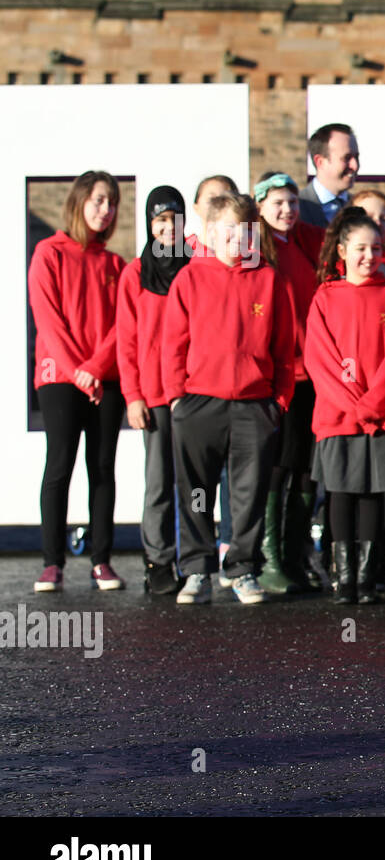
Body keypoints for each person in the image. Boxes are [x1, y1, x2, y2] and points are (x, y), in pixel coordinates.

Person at [162, 192, 295, 605]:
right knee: (196, 491)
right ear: (210, 233)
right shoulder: (190, 277)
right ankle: (198, 571)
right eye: (228, 232)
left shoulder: (269, 278)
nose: (236, 240)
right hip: (198, 403)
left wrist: (279, 402)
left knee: (249, 493)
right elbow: (172, 343)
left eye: (244, 231)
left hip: (254, 405)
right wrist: (175, 399)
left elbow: (284, 347)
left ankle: (242, 570)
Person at [28, 171, 127, 593]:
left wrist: (96, 366)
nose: (105, 210)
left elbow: (123, 325)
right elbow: (48, 321)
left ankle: (101, 561)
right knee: (60, 464)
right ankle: (52, 562)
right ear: (79, 201)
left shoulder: (115, 264)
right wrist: (77, 370)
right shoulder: (48, 253)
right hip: (59, 377)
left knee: (102, 467)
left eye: (112, 203)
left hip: (104, 378)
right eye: (98, 200)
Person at [305, 208, 385, 604]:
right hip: (338, 416)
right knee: (341, 495)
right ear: (343, 250)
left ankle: (367, 580)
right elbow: (319, 359)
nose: (369, 255)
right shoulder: (325, 297)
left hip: (379, 417)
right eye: (361, 248)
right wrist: (354, 404)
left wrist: (373, 403)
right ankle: (343, 580)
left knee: (375, 496)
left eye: (377, 247)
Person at [117, 185, 192, 596]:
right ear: (150, 223)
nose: (168, 227)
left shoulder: (193, 268)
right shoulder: (135, 274)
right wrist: (133, 395)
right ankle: (158, 561)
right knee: (159, 482)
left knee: (193, 485)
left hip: (191, 392)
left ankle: (193, 560)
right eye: (160, 219)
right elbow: (126, 340)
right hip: (155, 394)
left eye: (174, 218)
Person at [254, 172, 325, 594]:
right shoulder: (255, 249)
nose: (287, 210)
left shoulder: (304, 242)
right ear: (259, 206)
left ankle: (296, 556)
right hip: (275, 373)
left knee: (303, 467)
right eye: (277, 202)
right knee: (276, 467)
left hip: (310, 372)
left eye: (293, 202)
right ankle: (269, 559)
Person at [300, 123, 360, 228]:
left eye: (356, 157)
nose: (355, 166)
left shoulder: (360, 207)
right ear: (320, 162)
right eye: (347, 158)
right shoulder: (295, 209)